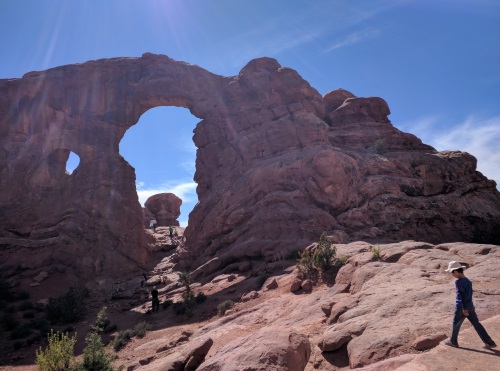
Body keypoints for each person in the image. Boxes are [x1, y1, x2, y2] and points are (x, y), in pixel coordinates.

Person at [442, 261, 497, 349]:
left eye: (451, 273)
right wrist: (468, 306)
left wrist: (464, 308)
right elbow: (469, 294)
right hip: (470, 305)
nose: (452, 275)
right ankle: (489, 342)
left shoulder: (458, 282)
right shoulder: (468, 280)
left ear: (455, 271)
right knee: (476, 324)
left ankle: (453, 341)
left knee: (456, 324)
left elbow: (462, 295)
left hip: (462, 307)